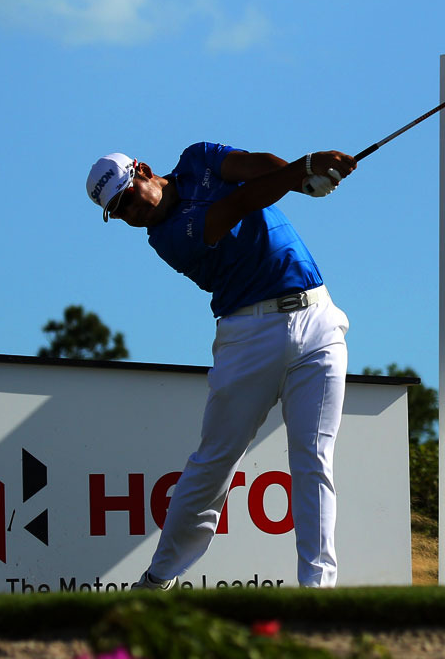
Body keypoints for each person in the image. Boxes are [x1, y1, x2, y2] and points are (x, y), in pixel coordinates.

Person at [84, 142, 357, 589]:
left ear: (145, 171)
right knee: (214, 463)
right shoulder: (166, 239)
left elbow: (255, 168)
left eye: (128, 199)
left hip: (318, 318)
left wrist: (300, 176)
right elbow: (237, 204)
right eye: (118, 213)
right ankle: (158, 580)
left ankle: (318, 590)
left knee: (314, 459)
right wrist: (299, 173)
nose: (130, 215)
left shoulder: (197, 158)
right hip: (248, 336)